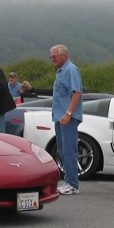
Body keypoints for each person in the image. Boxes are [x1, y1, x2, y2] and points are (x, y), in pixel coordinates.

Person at [49, 44, 83, 195]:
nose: (52, 59)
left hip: (67, 118)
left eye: (54, 57)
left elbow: (77, 93)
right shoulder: (60, 72)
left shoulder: (71, 70)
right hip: (59, 118)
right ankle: (68, 180)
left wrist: (68, 113)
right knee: (62, 150)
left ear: (64, 56)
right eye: (51, 57)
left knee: (69, 150)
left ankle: (73, 184)